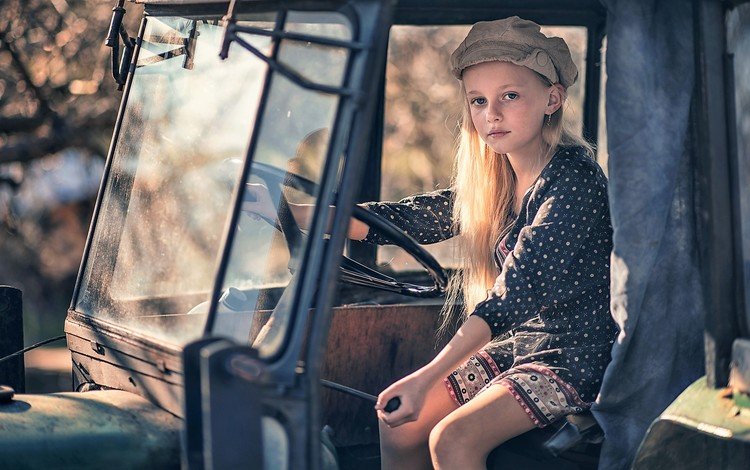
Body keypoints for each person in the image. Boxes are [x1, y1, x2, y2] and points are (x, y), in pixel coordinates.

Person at [244, 16, 617, 469]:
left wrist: (426, 378)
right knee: (398, 420)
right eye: (478, 100)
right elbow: (407, 220)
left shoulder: (573, 179)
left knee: (453, 440)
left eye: (510, 96)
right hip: (517, 347)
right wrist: (287, 214)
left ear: (552, 99)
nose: (491, 114)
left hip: (576, 355)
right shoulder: (498, 180)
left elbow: (515, 293)